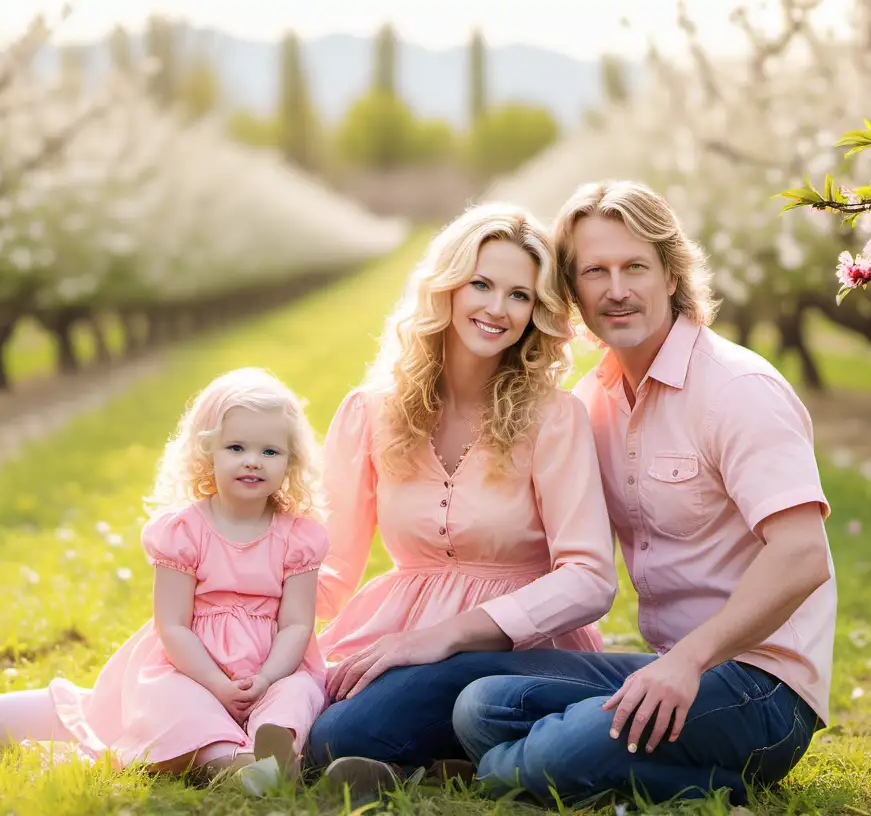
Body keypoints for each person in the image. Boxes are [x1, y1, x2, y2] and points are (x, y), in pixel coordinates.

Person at [449, 180, 837, 807]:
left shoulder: (738, 388)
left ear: (672, 274)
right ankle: (594, 765)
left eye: (635, 267)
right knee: (483, 705)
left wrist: (687, 663)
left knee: (545, 756)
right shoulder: (591, 404)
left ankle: (540, 765)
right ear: (572, 293)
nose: (617, 290)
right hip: (662, 669)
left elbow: (803, 555)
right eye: (595, 272)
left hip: (762, 686)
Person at [0, 367, 331, 789]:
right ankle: (233, 768)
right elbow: (173, 626)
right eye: (236, 447)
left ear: (291, 461)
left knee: (299, 691)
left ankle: (271, 753)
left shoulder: (297, 535)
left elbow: (297, 625)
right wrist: (215, 682)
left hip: (269, 665)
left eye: (269, 450)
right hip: (193, 668)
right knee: (176, 702)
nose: (252, 461)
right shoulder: (184, 531)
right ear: (207, 451)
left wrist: (265, 678)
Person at [303, 202, 619, 791]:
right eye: (481, 284)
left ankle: (436, 757)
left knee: (343, 736)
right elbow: (330, 567)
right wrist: (240, 610)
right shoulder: (370, 411)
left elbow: (590, 577)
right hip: (396, 626)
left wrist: (441, 636)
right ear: (445, 287)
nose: (497, 309)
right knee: (316, 717)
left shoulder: (555, 417)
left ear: (538, 311)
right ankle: (450, 762)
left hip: (513, 644)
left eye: (520, 295)